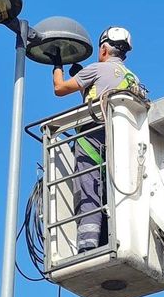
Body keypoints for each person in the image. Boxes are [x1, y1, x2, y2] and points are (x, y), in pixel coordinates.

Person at [51, 26, 142, 253]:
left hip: (91, 137)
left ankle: (88, 244)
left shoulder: (97, 69)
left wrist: (57, 64)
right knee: (115, 189)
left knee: (89, 185)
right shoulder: (134, 79)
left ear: (103, 49)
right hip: (122, 141)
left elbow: (59, 89)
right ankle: (113, 236)